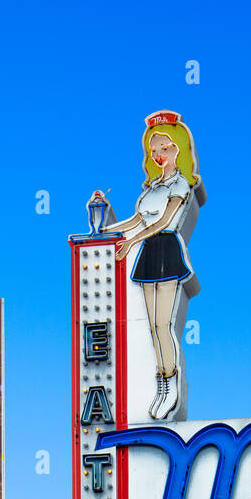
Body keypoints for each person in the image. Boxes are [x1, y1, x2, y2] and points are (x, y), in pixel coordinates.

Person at [99, 110, 201, 420]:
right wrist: (105, 224)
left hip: (166, 249)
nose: (159, 155)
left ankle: (170, 386)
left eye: (165, 148)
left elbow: (167, 221)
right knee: (151, 328)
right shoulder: (151, 189)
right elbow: (136, 220)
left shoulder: (180, 184)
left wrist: (131, 241)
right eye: (154, 150)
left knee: (162, 324)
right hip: (148, 252)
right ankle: (160, 385)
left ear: (178, 149)